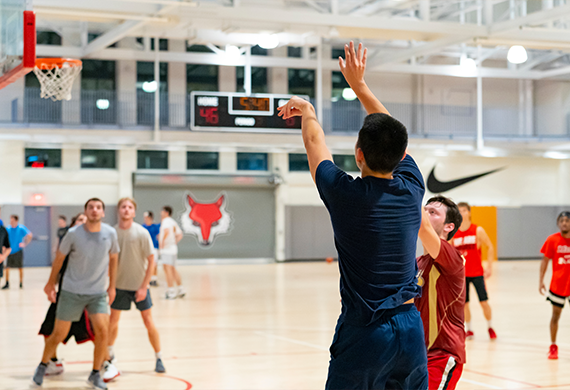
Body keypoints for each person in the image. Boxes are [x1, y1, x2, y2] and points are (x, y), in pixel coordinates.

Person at [278, 41, 427, 390]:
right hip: (410, 330)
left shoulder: (345, 195)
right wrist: (360, 86)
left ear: (359, 154)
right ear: (402, 154)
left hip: (366, 333)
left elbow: (315, 144)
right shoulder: (412, 187)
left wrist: (308, 110)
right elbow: (392, 132)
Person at [32, 198, 119, 390]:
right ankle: (43, 365)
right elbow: (59, 259)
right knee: (57, 335)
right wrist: (50, 284)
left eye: (98, 208)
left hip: (96, 293)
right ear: (86, 212)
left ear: (103, 213)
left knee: (103, 332)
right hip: (72, 292)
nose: (95, 210)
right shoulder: (73, 234)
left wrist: (112, 287)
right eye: (91, 207)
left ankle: (95, 374)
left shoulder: (110, 233)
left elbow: (113, 259)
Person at [103, 198, 165, 383]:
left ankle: (158, 356)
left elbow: (151, 260)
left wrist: (144, 286)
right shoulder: (112, 233)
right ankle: (110, 356)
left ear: (134, 212)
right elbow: (108, 261)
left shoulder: (141, 232)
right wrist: (111, 285)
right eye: (123, 207)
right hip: (119, 286)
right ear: (119, 211)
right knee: (113, 321)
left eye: (130, 207)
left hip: (139, 287)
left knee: (148, 321)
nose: (126, 210)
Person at [416, 196, 466, 390]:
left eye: (433, 212)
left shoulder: (451, 256)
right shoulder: (418, 263)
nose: (426, 214)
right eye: (425, 210)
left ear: (449, 227)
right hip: (417, 354)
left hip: (443, 354)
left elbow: (422, 227)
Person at [38, 213, 93, 376]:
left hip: (85, 296)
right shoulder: (67, 243)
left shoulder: (93, 244)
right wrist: (51, 285)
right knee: (48, 330)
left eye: (85, 221)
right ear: (73, 224)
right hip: (64, 294)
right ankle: (53, 362)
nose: (82, 223)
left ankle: (106, 362)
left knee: (97, 332)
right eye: (79, 220)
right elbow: (58, 267)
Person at [453, 202, 497, 340]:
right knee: (464, 303)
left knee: (483, 302)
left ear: (469, 212)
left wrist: (489, 267)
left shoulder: (477, 230)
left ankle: (490, 327)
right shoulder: (454, 233)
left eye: (464, 210)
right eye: (459, 211)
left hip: (477, 273)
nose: (462, 213)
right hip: (462, 275)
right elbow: (449, 253)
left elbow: (489, 247)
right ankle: (469, 329)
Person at [539, 211, 570, 360]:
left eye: (567, 220)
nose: (564, 223)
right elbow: (545, 261)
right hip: (558, 285)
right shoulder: (552, 240)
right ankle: (553, 346)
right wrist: (541, 281)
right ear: (558, 223)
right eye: (562, 220)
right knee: (555, 316)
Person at [159, 206, 184, 299]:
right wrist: (174, 242)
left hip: (167, 249)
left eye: (162, 211)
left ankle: (171, 291)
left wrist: (162, 244)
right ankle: (181, 288)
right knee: (173, 269)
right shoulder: (173, 222)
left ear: (166, 212)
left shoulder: (166, 221)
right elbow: (180, 234)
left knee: (167, 269)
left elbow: (166, 232)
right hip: (173, 248)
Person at [3, 215, 32, 289]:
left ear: (16, 221)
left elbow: (29, 235)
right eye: (10, 221)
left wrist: (25, 243)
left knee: (20, 267)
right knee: (7, 267)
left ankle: (21, 283)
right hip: (10, 251)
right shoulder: (8, 229)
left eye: (12, 221)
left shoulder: (21, 228)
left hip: (18, 251)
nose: (11, 222)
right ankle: (7, 283)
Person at [142, 211, 160, 287]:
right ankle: (147, 279)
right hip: (145, 248)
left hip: (154, 248)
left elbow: (159, 236)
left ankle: (154, 279)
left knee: (154, 263)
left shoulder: (155, 227)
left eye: (146, 217)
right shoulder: (142, 227)